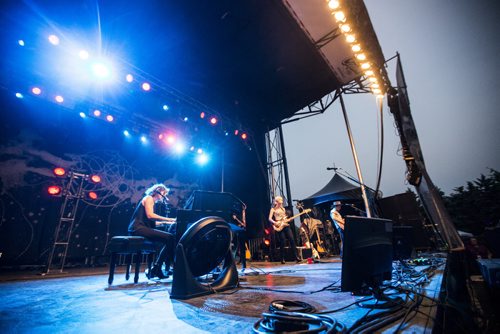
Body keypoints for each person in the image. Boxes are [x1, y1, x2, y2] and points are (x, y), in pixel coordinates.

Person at [128, 184, 176, 279]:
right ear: (157, 191)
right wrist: (170, 219)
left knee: (168, 239)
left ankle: (157, 267)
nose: (164, 196)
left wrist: (167, 222)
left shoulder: (150, 200)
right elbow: (150, 216)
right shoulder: (149, 198)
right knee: (171, 237)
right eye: (164, 193)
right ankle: (157, 267)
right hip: (138, 228)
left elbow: (151, 221)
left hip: (140, 228)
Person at [268, 196, 301, 264]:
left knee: (292, 239)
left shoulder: (283, 209)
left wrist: (289, 219)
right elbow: (269, 218)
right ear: (277, 202)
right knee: (282, 242)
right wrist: (275, 222)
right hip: (279, 225)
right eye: (279, 202)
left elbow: (285, 218)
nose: (281, 203)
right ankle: (282, 258)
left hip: (285, 225)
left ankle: (296, 257)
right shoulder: (273, 209)